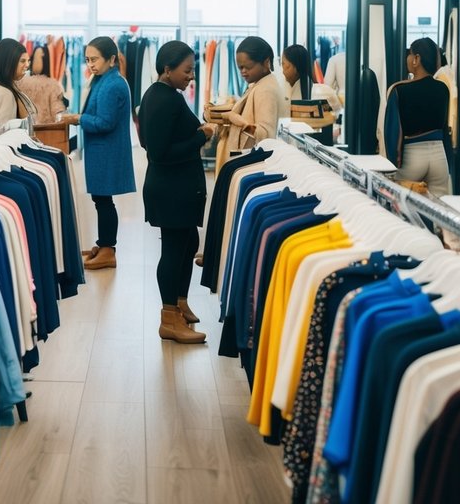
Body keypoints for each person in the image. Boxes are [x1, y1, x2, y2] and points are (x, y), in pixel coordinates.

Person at [138, 41, 214, 344]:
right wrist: (202, 136)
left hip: (178, 187)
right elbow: (159, 152)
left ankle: (179, 304)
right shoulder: (162, 99)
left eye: (193, 70)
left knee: (187, 242)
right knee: (172, 250)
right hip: (170, 189)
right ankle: (168, 318)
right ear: (167, 69)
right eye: (187, 70)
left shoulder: (168, 95)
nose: (191, 76)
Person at [61, 36, 136, 271]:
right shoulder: (103, 80)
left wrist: (77, 118)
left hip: (107, 151)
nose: (90, 64)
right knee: (101, 200)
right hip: (102, 150)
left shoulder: (113, 84)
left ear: (111, 59)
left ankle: (108, 249)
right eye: (87, 60)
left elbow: (105, 122)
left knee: (104, 201)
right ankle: (104, 244)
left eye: (94, 59)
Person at [385, 37, 452, 195]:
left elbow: (392, 132)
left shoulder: (399, 90)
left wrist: (392, 163)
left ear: (416, 59)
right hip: (439, 157)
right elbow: (444, 128)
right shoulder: (443, 89)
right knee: (440, 212)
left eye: (410, 54)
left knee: (401, 208)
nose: (407, 58)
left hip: (411, 156)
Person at [223, 36, 290, 157]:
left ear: (266, 63)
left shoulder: (265, 90)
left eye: (247, 67)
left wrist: (240, 122)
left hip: (255, 162)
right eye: (240, 67)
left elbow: (266, 136)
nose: (243, 72)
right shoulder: (260, 84)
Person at [0, 38, 37, 128]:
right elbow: (2, 134)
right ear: (8, 62)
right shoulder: (3, 93)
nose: (27, 65)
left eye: (28, 61)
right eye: (22, 61)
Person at [19, 44, 67, 125]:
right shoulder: (53, 85)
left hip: (26, 130)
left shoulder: (20, 82)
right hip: (46, 131)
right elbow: (58, 112)